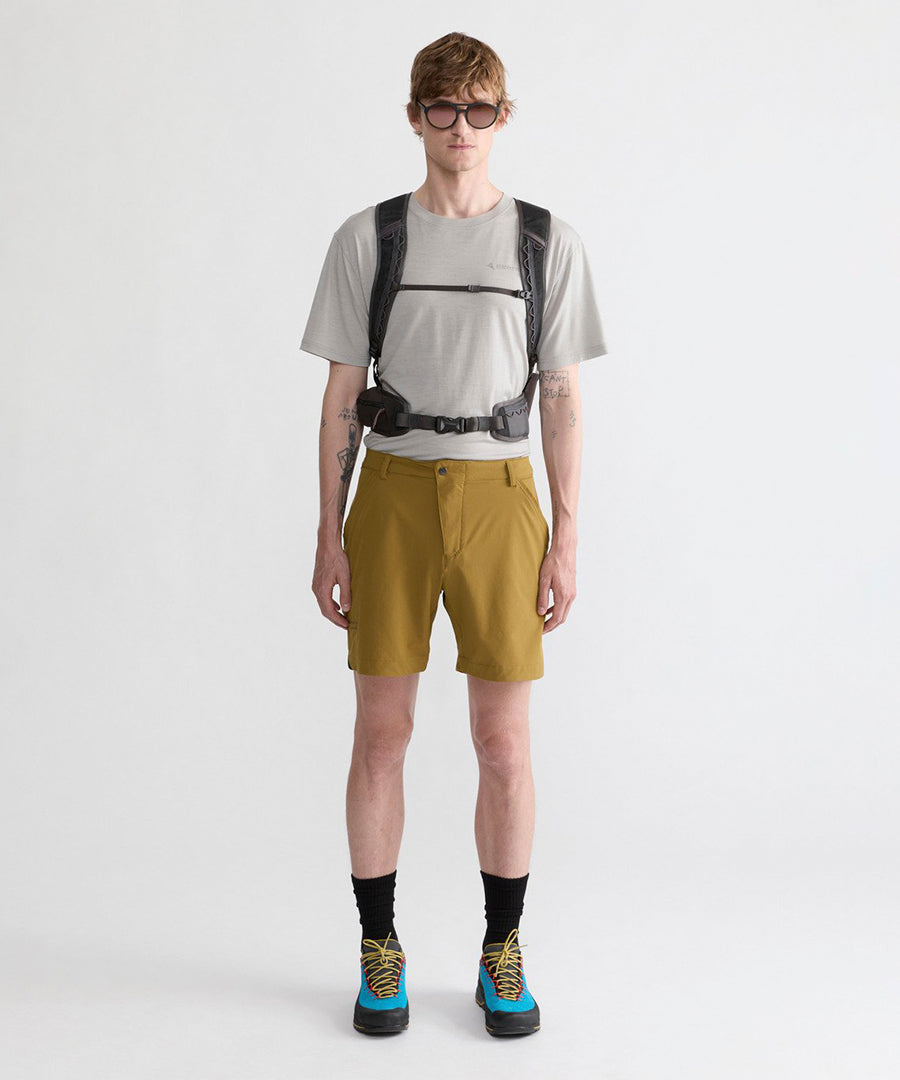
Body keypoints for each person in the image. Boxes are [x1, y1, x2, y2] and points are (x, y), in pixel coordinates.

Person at [301, 31, 607, 1037]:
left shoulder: (545, 242)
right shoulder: (371, 238)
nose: (461, 128)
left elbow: (561, 398)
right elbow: (341, 396)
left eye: (479, 110)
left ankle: (501, 950)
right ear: (415, 117)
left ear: (502, 117)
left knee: (503, 744)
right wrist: (328, 533)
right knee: (381, 733)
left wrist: (566, 537)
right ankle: (378, 948)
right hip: (390, 496)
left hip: (502, 498)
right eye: (443, 109)